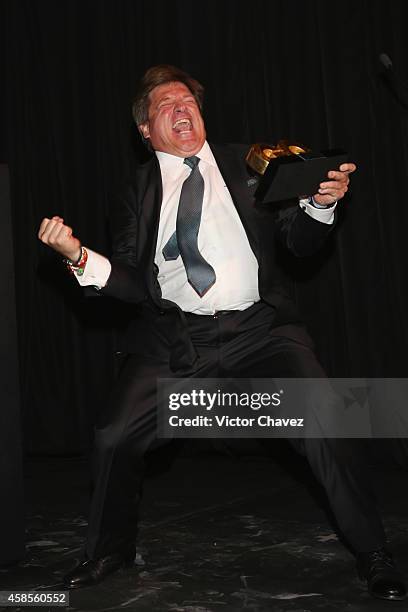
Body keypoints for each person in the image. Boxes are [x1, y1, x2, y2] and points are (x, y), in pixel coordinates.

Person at [38, 64, 406, 601]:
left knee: (326, 416)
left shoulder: (250, 163)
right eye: (167, 104)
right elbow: (132, 283)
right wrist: (76, 256)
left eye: (188, 100)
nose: (182, 109)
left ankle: (373, 551)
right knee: (114, 435)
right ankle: (109, 550)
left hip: (260, 331)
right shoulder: (136, 189)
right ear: (145, 128)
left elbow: (298, 243)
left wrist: (320, 203)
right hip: (174, 340)